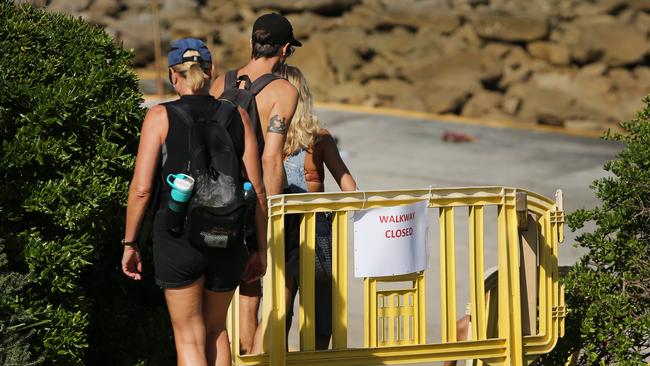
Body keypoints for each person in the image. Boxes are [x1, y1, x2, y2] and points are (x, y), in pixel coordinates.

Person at [121, 38, 267, 366]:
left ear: (174, 77)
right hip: (228, 236)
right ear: (211, 71)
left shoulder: (160, 116)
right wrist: (260, 247)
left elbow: (141, 190)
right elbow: (257, 190)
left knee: (188, 335)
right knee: (217, 330)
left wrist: (131, 242)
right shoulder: (237, 115)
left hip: (178, 237)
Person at [210, 12, 300, 355]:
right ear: (286, 49)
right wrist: (271, 211)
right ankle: (255, 353)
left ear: (252, 43)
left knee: (219, 304)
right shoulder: (283, 91)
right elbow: (271, 157)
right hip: (252, 199)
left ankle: (237, 351)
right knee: (266, 277)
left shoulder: (220, 82)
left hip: (213, 199)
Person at [277, 64, 357, 349]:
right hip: (317, 231)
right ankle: (316, 358)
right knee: (322, 312)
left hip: (280, 231)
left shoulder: (269, 140)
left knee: (278, 311)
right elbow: (349, 186)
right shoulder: (319, 138)